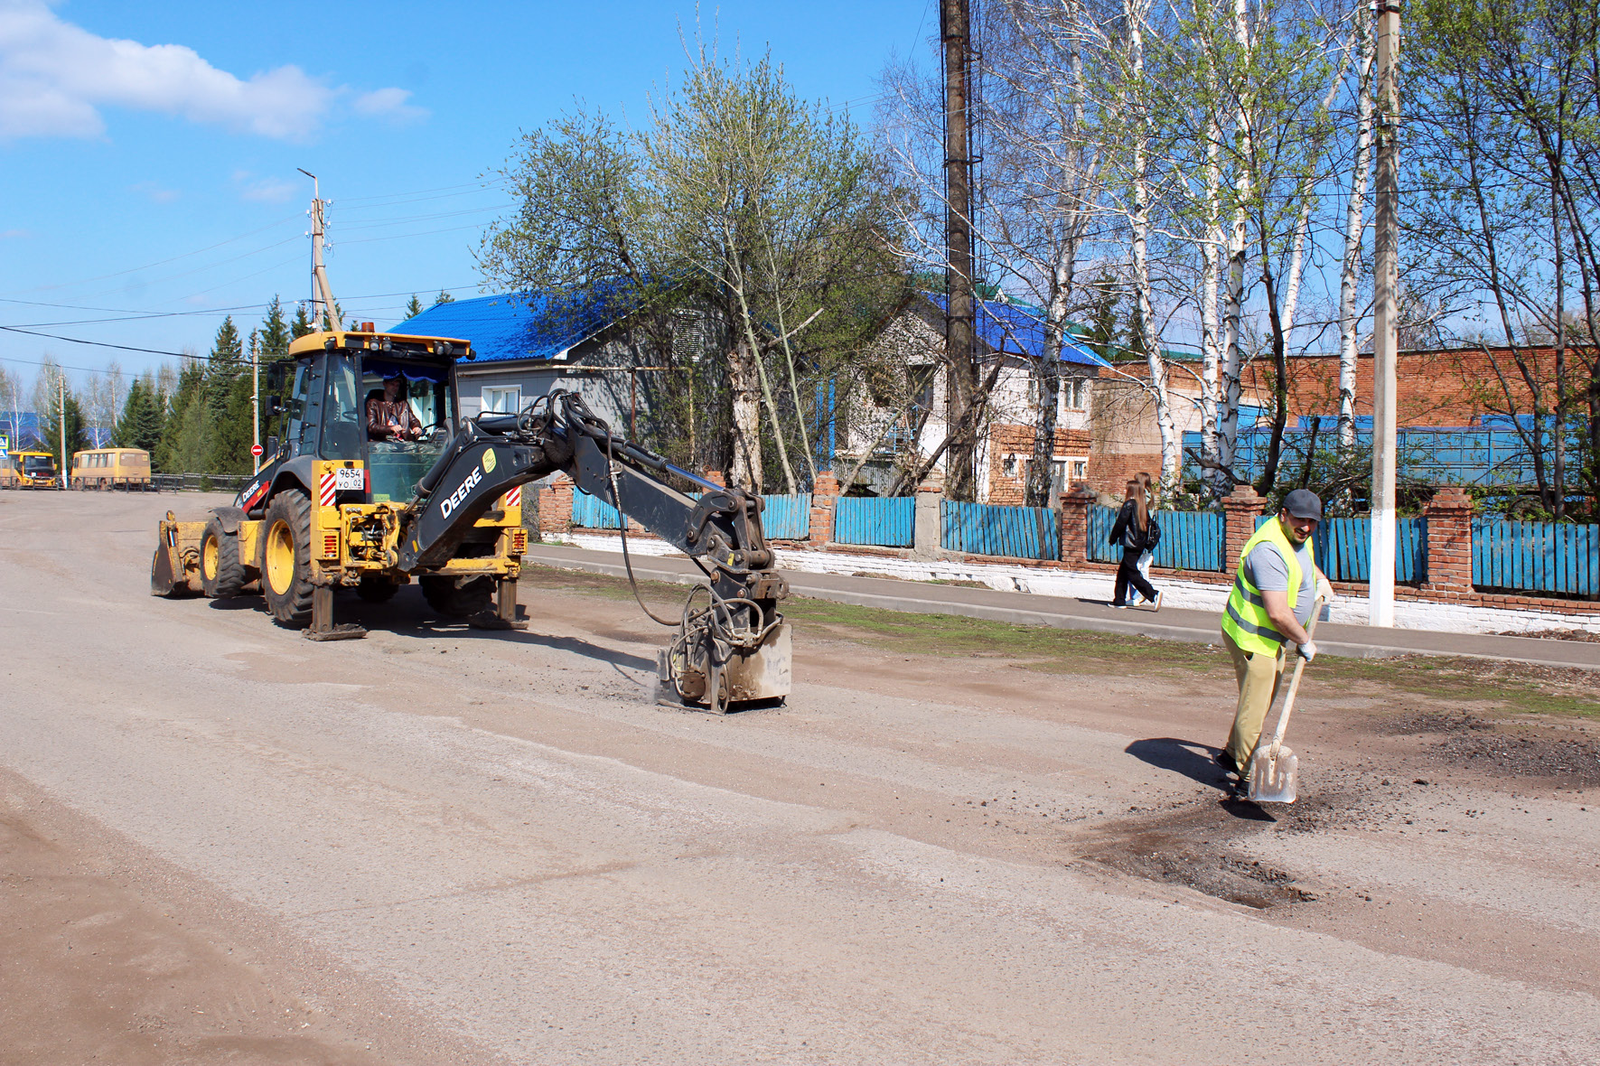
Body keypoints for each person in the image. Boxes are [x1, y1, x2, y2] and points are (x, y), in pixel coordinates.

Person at [1216, 487, 1335, 790]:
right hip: (1253, 638)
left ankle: (1231, 755)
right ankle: (1245, 776)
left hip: (1272, 640)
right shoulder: (1269, 550)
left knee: (1262, 700)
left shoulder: (1296, 538)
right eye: (1299, 520)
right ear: (1284, 515)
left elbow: (1304, 561)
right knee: (1254, 709)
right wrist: (1304, 640)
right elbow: (1279, 614)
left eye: (1312, 522)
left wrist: (1320, 580)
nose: (1306, 527)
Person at [1108, 478, 1162, 610]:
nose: (1124, 490)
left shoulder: (1129, 504)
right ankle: (1119, 600)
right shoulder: (1142, 505)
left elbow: (1120, 523)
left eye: (1127, 488)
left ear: (1131, 490)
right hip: (1139, 544)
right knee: (1123, 572)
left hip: (1130, 543)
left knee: (1132, 572)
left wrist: (1112, 538)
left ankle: (1153, 594)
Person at [367, 375, 423, 442]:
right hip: (381, 444)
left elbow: (413, 420)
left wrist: (416, 427)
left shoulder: (402, 404)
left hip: (402, 444)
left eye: (397, 385)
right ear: (384, 384)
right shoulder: (374, 403)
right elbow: (371, 426)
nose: (395, 387)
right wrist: (390, 429)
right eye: (392, 384)